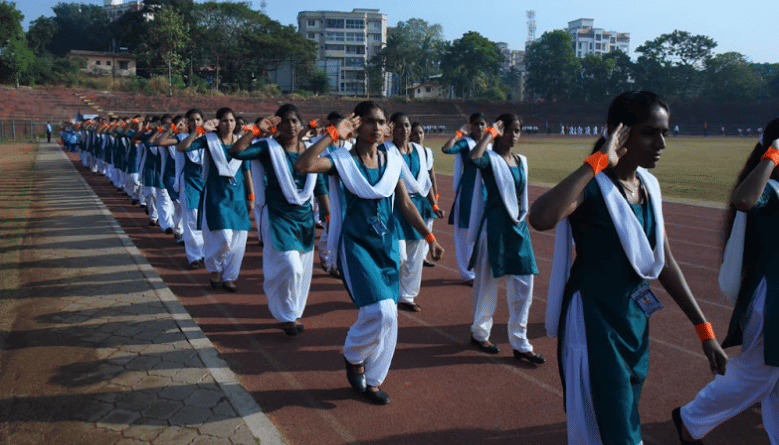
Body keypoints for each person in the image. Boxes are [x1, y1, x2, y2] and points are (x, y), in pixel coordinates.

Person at [527, 90, 727, 444]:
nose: (661, 143)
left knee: (623, 417)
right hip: (593, 321)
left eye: (665, 132)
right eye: (650, 132)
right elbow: (541, 217)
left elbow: (664, 263)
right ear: (618, 132)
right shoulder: (593, 187)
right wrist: (597, 162)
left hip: (634, 320)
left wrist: (704, 331)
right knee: (611, 427)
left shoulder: (649, 186)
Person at [294, 101, 444, 405]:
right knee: (382, 311)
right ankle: (353, 355)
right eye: (370, 122)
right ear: (357, 124)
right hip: (356, 245)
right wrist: (334, 133)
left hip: (386, 245)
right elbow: (304, 165)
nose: (376, 128)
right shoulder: (342, 160)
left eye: (380, 122)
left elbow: (405, 204)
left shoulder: (391, 160)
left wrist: (429, 236)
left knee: (390, 319)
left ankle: (374, 380)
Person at [674, 119, 779, 445]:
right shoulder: (770, 190)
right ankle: (691, 419)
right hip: (772, 304)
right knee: (756, 373)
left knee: (769, 376)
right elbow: (744, 199)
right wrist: (773, 153)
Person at [230, 104, 330, 335]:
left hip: (304, 219)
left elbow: (320, 186)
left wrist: (328, 217)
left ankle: (292, 312)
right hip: (278, 216)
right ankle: (285, 313)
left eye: (295, 121)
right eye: (285, 121)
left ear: (301, 124)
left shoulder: (309, 150)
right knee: (290, 265)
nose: (291, 125)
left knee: (302, 270)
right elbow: (235, 153)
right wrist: (255, 130)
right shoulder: (268, 147)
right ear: (278, 125)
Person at [467, 114, 544, 364]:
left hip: (518, 228)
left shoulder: (521, 161)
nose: (514, 135)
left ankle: (520, 343)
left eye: (518, 130)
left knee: (524, 284)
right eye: (509, 130)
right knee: (486, 284)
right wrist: (489, 132)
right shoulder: (491, 158)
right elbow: (474, 157)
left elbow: (522, 195)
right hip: (495, 228)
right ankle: (480, 333)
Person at [177, 107, 253, 292]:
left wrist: (251, 195)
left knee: (238, 240)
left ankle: (229, 276)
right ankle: (215, 268)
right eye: (225, 121)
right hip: (216, 196)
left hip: (238, 196)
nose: (229, 124)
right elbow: (183, 147)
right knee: (223, 237)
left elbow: (246, 169)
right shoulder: (209, 140)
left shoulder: (241, 142)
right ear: (218, 123)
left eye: (232, 121)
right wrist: (199, 130)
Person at [382, 113, 444, 312]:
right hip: (394, 206)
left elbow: (425, 180)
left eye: (406, 125)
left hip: (416, 207)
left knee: (416, 256)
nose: (404, 129)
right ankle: (388, 291)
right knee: (398, 256)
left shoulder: (420, 151)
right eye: (398, 126)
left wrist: (433, 203)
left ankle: (407, 296)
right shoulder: (386, 149)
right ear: (392, 129)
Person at [441, 112, 488, 285]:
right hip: (468, 193)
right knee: (466, 234)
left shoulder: (489, 145)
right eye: (475, 124)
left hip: (486, 194)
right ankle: (468, 273)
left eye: (482, 124)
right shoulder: (465, 144)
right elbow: (446, 149)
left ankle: (480, 269)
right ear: (470, 126)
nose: (479, 127)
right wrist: (459, 133)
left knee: (483, 233)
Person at [410, 122, 440, 268]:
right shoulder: (407, 151)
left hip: (427, 195)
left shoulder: (428, 152)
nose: (419, 136)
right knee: (415, 225)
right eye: (415, 133)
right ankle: (414, 257)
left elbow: (431, 174)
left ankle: (423, 257)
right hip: (413, 195)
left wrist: (435, 194)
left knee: (428, 224)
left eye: (421, 133)